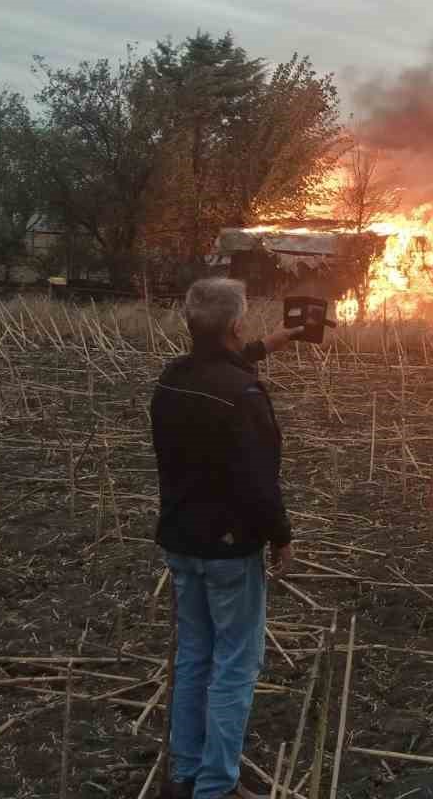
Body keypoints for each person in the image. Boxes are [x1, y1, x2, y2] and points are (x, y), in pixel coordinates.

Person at [151, 277, 301, 799]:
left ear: (190, 324)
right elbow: (260, 483)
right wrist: (281, 536)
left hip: (182, 542)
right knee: (235, 665)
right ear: (236, 324)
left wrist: (268, 346)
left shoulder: (171, 380)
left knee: (194, 656)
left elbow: (215, 375)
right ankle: (216, 785)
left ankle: (184, 774)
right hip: (228, 550)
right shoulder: (244, 396)